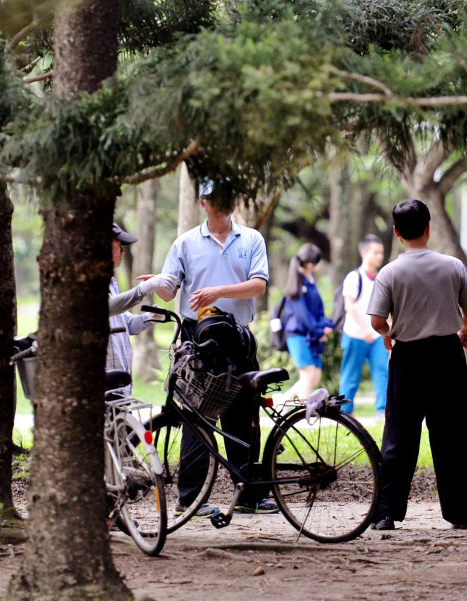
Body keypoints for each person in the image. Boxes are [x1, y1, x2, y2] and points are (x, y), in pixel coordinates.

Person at [149, 178, 278, 516]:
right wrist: (155, 285)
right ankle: (190, 498)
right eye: (212, 199)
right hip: (198, 336)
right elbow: (170, 288)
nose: (219, 204)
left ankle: (249, 493)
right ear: (203, 204)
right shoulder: (185, 243)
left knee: (245, 415)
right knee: (195, 416)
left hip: (238, 336)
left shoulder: (251, 239)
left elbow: (258, 286)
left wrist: (217, 292)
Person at [367, 199, 467, 531]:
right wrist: (463, 331)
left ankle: (386, 512)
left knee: (399, 436)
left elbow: (376, 321)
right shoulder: (453, 266)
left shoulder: (390, 272)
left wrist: (390, 335)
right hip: (447, 356)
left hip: (408, 358)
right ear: (429, 227)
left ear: (396, 232)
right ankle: (462, 513)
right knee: (453, 436)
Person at [106, 223, 176, 397]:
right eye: (118, 244)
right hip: (103, 381)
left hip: (120, 383)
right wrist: (143, 289)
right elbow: (105, 308)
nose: (122, 251)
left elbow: (125, 323)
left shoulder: (111, 283)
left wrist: (148, 318)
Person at [338, 234, 388, 416]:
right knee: (350, 375)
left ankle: (382, 411)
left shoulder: (380, 279)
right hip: (355, 334)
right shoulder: (354, 277)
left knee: (382, 372)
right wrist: (365, 329)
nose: (379, 257)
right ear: (364, 252)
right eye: (376, 253)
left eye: (381, 253)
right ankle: (345, 412)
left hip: (376, 337)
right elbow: (348, 305)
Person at [281, 243, 334, 402]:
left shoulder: (309, 282)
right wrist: (319, 330)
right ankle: (304, 412)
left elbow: (318, 310)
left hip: (311, 335)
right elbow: (303, 315)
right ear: (311, 263)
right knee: (308, 373)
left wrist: (325, 326)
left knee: (314, 377)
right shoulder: (297, 284)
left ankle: (282, 403)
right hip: (298, 335)